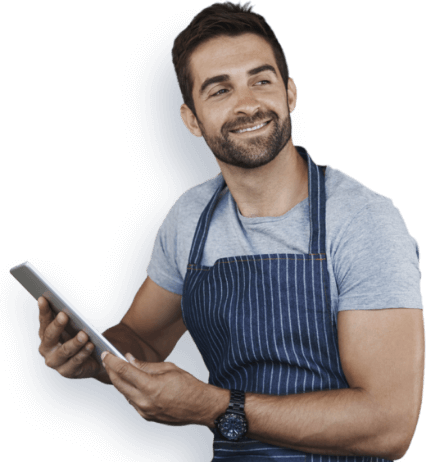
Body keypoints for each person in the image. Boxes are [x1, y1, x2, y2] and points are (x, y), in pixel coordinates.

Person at [36, 2, 424, 461]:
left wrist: (215, 407)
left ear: (291, 93)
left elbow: (388, 426)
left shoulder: (364, 221)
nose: (247, 103)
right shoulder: (190, 216)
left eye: (261, 80)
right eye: (220, 90)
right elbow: (142, 340)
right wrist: (95, 356)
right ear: (192, 120)